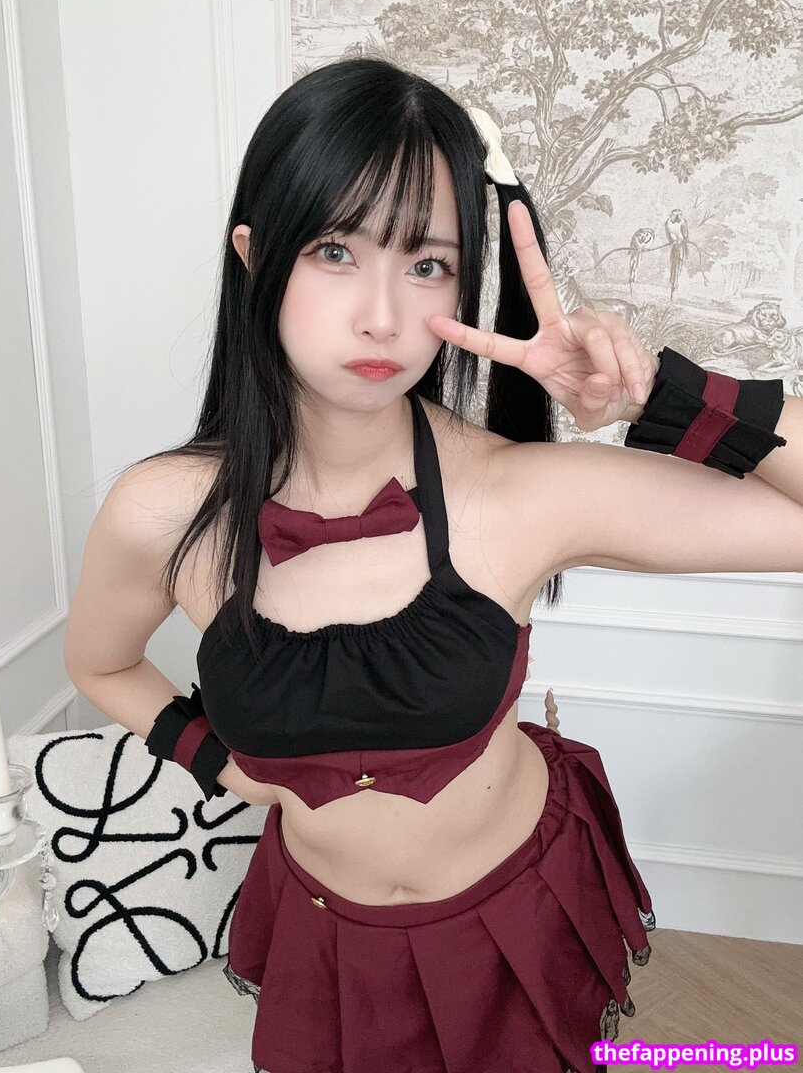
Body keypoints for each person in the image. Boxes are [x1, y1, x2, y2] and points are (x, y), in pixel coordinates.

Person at [63, 57, 800, 1073]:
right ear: (254, 255)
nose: (382, 315)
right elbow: (100, 663)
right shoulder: (163, 513)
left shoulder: (522, 491)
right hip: (323, 923)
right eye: (334, 250)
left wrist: (657, 394)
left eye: (426, 265)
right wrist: (215, 761)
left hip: (514, 907)